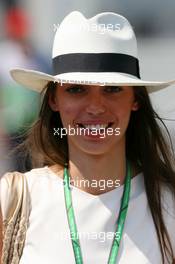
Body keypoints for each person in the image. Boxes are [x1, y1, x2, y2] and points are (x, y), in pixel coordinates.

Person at [0, 11, 175, 264]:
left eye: (112, 89)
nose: (95, 106)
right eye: (76, 89)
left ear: (135, 99)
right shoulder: (13, 200)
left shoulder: (168, 205)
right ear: (53, 99)